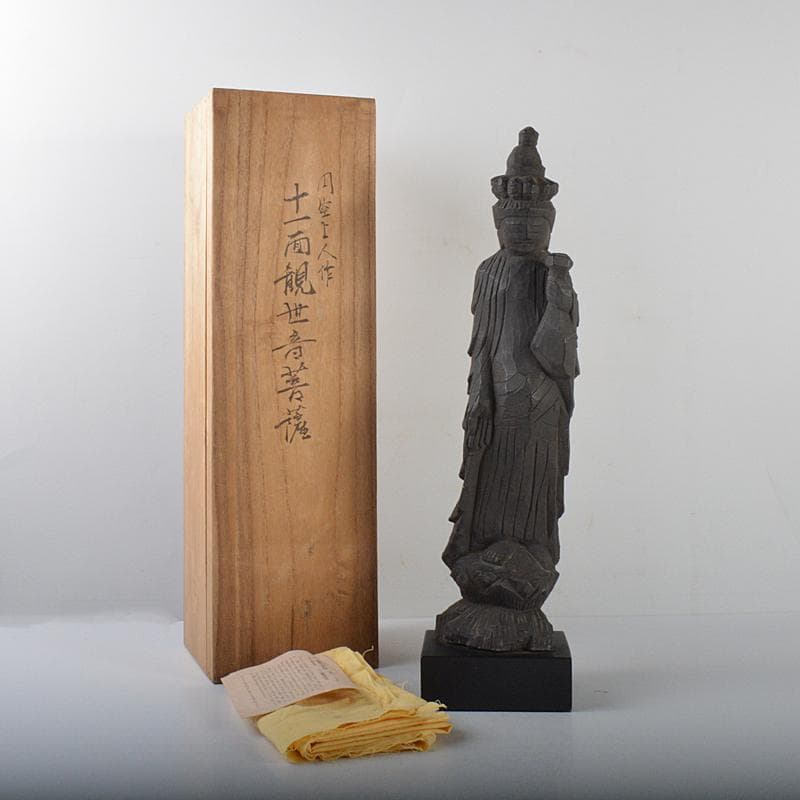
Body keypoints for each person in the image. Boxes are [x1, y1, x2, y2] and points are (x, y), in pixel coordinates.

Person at [436, 128, 579, 652]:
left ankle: (526, 573)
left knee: (531, 491)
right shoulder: (488, 271)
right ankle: (482, 567)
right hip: (494, 402)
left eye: (533, 225)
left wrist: (558, 298)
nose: (522, 232)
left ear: (548, 226)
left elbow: (557, 356)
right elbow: (481, 344)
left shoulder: (551, 273)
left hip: (538, 407)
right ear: (498, 223)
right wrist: (479, 397)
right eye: (512, 224)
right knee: (486, 487)